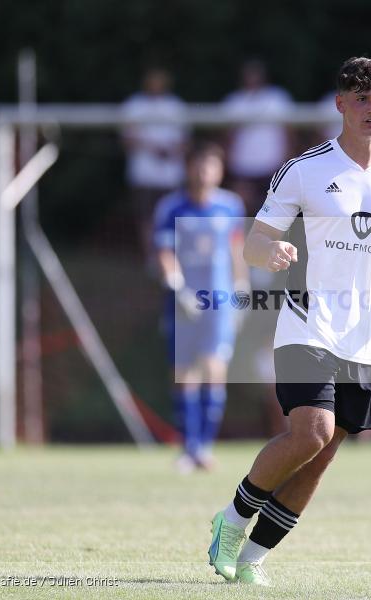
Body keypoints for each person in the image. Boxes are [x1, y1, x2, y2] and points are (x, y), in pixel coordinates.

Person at [206, 57, 371, 586]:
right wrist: (269, 251)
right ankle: (231, 521)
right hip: (307, 321)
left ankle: (253, 557)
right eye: (364, 99)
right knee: (311, 432)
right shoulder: (306, 169)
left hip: (363, 336)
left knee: (322, 456)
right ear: (341, 104)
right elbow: (253, 242)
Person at [153, 143, 248, 472]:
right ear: (189, 168)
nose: (204, 171)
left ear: (219, 170)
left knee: (214, 369)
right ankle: (188, 447)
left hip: (219, 303)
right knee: (184, 374)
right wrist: (179, 288)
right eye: (199, 164)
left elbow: (237, 251)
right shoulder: (171, 207)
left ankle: (204, 447)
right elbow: (165, 252)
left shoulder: (231, 206)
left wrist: (241, 287)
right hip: (183, 304)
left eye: (211, 165)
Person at [122, 67, 189, 267]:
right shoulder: (134, 105)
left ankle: (174, 258)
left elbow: (185, 140)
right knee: (146, 218)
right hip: (143, 175)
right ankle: (152, 259)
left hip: (170, 176)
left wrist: (170, 151)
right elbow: (127, 138)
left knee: (173, 218)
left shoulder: (176, 106)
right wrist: (153, 148)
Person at [222, 59, 294, 216]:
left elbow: (289, 133)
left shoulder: (278, 98)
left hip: (272, 167)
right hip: (241, 168)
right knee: (242, 211)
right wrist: (228, 165)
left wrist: (286, 163)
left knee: (272, 213)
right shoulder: (234, 101)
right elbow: (226, 137)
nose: (252, 78)